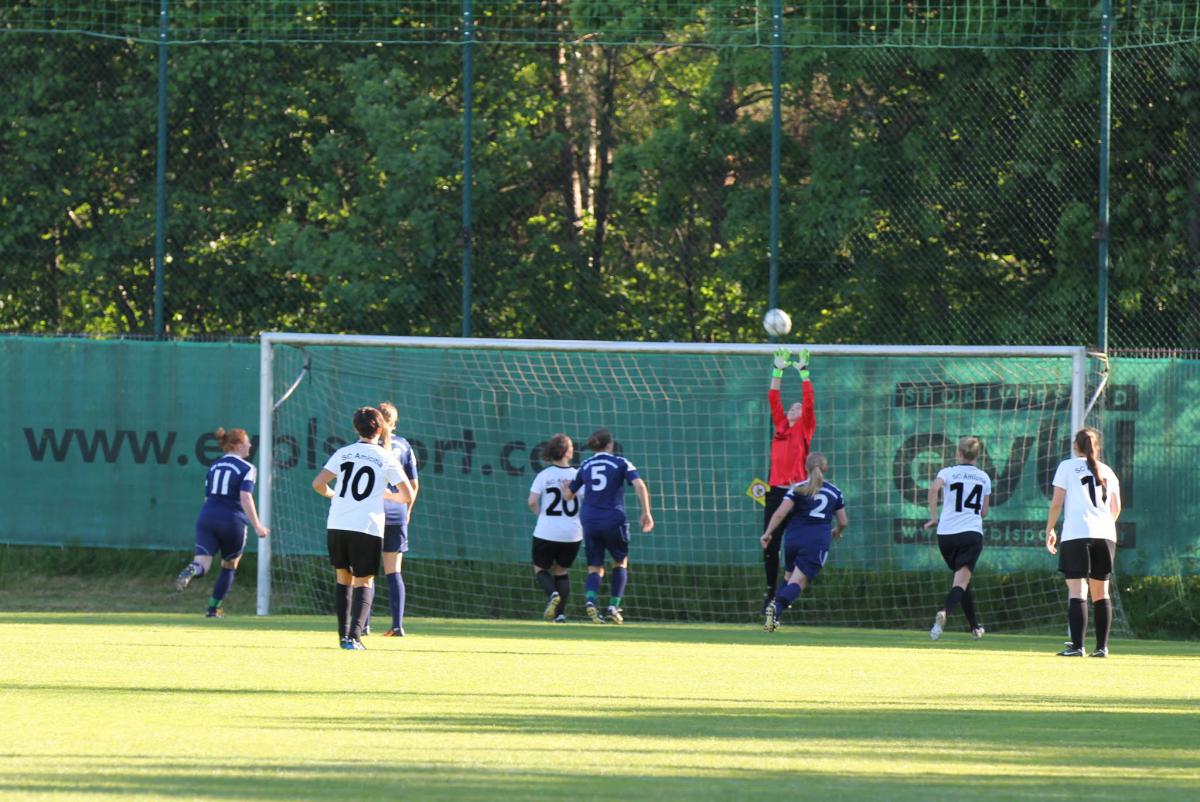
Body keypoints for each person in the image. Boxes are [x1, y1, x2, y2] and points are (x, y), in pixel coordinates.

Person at [312, 407, 414, 650]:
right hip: (366, 526)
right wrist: (387, 495)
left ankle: (343, 637)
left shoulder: (343, 452)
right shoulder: (385, 457)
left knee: (343, 578)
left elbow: (318, 484)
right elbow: (407, 495)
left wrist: (334, 495)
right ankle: (354, 638)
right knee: (364, 581)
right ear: (380, 429)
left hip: (337, 523)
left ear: (356, 428)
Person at [174, 427, 270, 617]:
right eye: (247, 442)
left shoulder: (214, 466)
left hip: (207, 517)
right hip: (232, 520)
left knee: (202, 564)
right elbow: (245, 497)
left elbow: (207, 498)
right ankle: (213, 609)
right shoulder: (248, 468)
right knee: (229, 565)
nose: (250, 445)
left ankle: (193, 569)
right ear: (238, 445)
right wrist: (258, 525)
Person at [562, 428, 653, 624]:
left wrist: (566, 488)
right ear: (610, 444)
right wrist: (646, 512)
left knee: (594, 567)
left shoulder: (585, 465)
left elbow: (568, 496)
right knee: (620, 562)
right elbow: (639, 485)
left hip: (590, 520)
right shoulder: (621, 462)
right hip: (613, 518)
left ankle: (591, 601)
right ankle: (613, 606)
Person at [1045, 427, 1122, 657]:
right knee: (1101, 592)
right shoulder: (1108, 471)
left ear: (1075, 446)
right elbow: (1116, 508)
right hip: (1105, 535)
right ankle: (1102, 648)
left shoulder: (1067, 467)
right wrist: (1103, 526)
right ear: (1096, 447)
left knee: (1078, 590)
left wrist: (1050, 529)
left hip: (1077, 533)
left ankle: (1078, 646)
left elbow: (1057, 503)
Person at [760, 452, 846, 631]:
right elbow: (843, 521)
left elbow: (780, 513)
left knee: (789, 578)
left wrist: (768, 533)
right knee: (799, 582)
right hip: (816, 541)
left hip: (793, 539)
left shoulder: (796, 488)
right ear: (826, 468)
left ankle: (772, 620)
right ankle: (775, 609)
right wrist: (837, 531)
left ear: (805, 468)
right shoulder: (834, 492)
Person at [760, 347, 816, 615]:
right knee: (769, 543)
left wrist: (804, 374)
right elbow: (773, 397)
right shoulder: (781, 427)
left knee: (794, 546)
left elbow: (809, 402)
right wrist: (778, 371)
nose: (795, 408)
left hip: (797, 494)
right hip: (775, 493)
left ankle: (787, 592)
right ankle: (771, 593)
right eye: (792, 406)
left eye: (798, 407)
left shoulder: (805, 428)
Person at [924, 436, 991, 641]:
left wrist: (933, 517)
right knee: (961, 583)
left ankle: (975, 627)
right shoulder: (984, 478)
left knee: (961, 581)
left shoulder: (947, 472)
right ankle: (944, 611)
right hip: (970, 534)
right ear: (977, 455)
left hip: (946, 535)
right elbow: (984, 512)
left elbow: (934, 489)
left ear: (959, 453)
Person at [528, 434, 583, 622]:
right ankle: (560, 615)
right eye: (571, 446)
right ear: (566, 452)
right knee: (561, 571)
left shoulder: (544, 475)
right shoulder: (578, 475)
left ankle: (552, 594)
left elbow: (532, 501)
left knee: (540, 568)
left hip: (547, 531)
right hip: (572, 534)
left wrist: (541, 516)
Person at [376, 401, 420, 638]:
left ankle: (363, 625)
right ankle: (397, 625)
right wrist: (408, 510)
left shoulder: (368, 445)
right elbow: (414, 485)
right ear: (394, 422)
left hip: (372, 513)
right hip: (397, 513)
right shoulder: (404, 445)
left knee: (365, 571)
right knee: (393, 570)